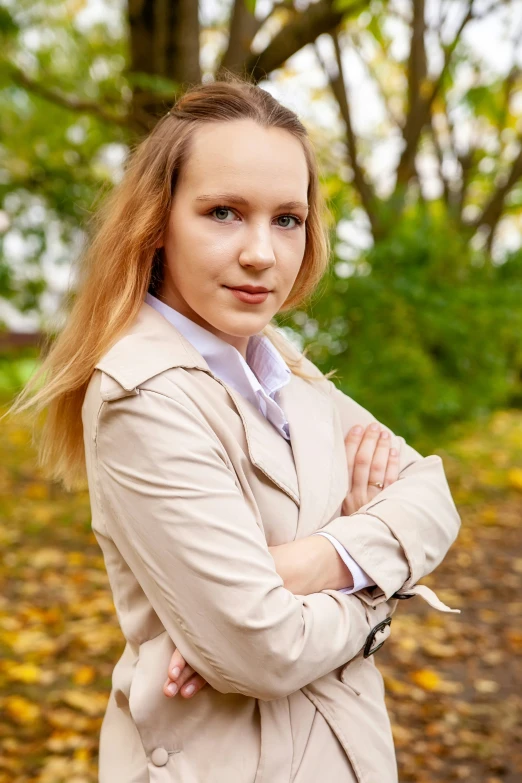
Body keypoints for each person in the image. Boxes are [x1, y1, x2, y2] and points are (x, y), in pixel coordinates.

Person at [5, 74, 461, 782]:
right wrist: (377, 590)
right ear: (158, 221)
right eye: (223, 212)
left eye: (287, 218)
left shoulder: (280, 359)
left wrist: (314, 562)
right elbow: (263, 649)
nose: (262, 253)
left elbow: (432, 494)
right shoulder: (143, 394)